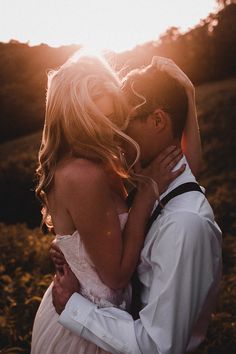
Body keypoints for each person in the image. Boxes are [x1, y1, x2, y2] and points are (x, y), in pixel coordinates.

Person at [51, 57, 222, 354]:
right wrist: (71, 246)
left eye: (120, 122)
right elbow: (185, 169)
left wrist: (73, 307)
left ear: (156, 121)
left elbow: (157, 347)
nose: (115, 137)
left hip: (99, 326)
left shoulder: (183, 222)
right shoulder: (149, 182)